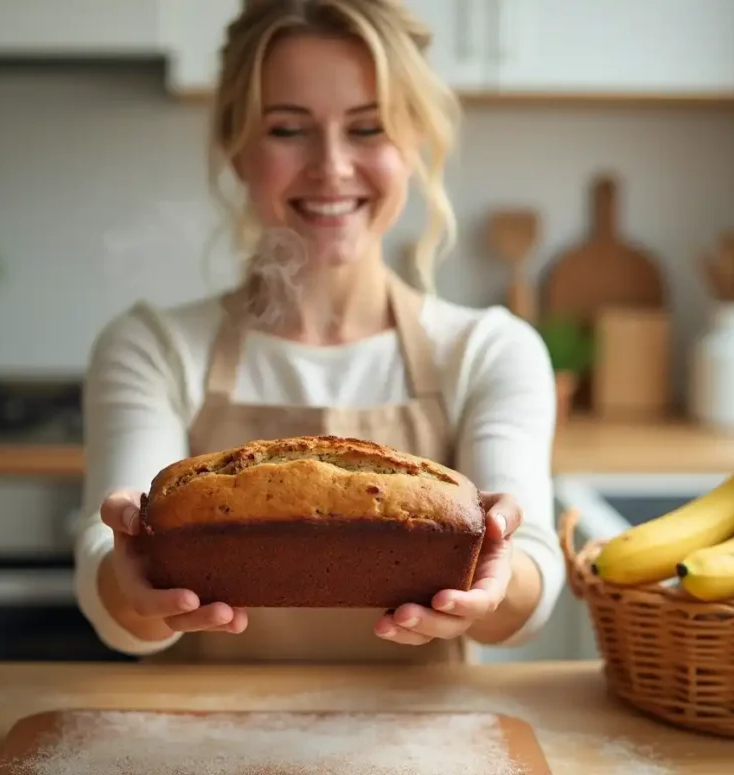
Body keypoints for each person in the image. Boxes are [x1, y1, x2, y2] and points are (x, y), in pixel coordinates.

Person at [74, 0, 565, 665]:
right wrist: (130, 590)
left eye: (368, 128)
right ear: (236, 147)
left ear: (415, 142)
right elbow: (110, 588)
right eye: (287, 129)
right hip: (204, 748)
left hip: (419, 754)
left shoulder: (487, 351)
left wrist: (496, 584)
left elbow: (529, 582)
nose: (331, 165)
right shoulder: (153, 348)